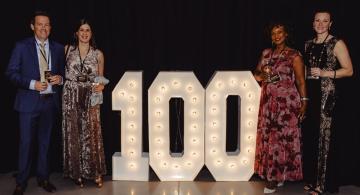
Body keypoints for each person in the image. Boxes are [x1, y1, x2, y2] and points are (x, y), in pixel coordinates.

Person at [6, 11, 64, 195]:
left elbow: (63, 72)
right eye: (40, 24)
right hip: (28, 104)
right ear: (33, 26)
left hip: (49, 103)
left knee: (45, 144)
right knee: (26, 144)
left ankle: (43, 178)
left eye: (47, 25)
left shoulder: (57, 48)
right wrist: (33, 84)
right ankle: (21, 182)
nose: (43, 28)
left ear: (50, 28)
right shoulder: (21, 47)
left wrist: (60, 79)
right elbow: (11, 73)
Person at [302, 10, 353, 195]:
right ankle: (313, 179)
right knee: (311, 138)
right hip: (312, 95)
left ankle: (323, 185)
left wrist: (325, 73)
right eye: (317, 20)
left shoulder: (336, 43)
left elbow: (349, 70)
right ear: (312, 22)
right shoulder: (308, 44)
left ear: (330, 24)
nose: (321, 24)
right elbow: (306, 71)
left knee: (325, 140)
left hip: (328, 97)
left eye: (325, 21)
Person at [253, 21, 307, 194]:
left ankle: (274, 180)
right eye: (273, 33)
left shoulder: (294, 55)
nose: (276, 36)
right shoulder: (266, 54)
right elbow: (256, 74)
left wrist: (305, 102)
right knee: (271, 141)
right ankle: (277, 175)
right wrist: (264, 75)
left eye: (280, 32)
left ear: (286, 35)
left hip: (287, 105)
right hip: (268, 104)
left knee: (283, 140)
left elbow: (300, 81)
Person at [62, 18, 108, 188]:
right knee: (73, 132)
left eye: (87, 30)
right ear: (76, 33)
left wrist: (101, 86)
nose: (84, 33)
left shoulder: (98, 54)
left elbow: (100, 79)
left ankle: (95, 172)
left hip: (90, 95)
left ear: (91, 33)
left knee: (92, 133)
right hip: (70, 94)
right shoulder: (67, 50)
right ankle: (77, 172)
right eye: (81, 30)